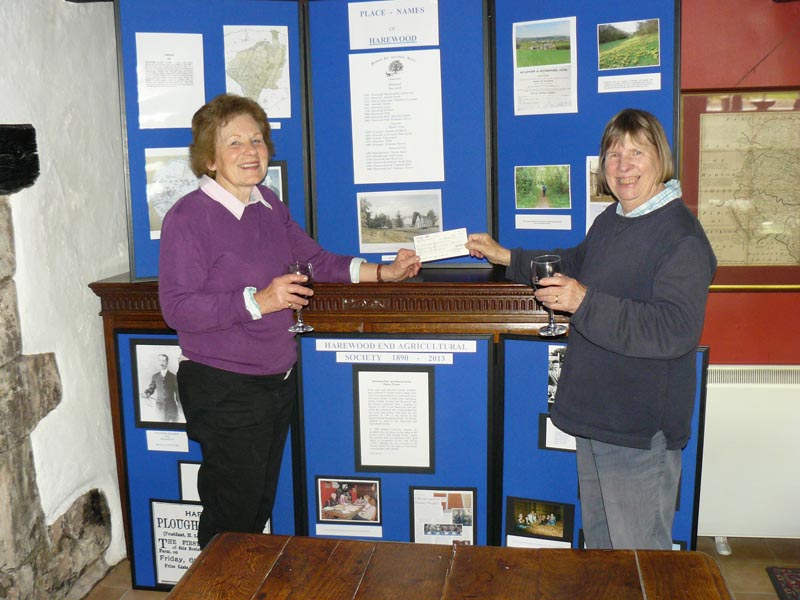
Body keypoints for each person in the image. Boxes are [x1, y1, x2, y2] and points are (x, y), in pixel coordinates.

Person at [158, 93, 421, 548]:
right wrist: (259, 301)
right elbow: (177, 308)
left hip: (274, 380)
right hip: (224, 388)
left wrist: (384, 271)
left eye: (256, 140)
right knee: (231, 517)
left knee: (255, 508)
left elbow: (315, 260)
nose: (251, 151)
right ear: (209, 157)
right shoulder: (189, 217)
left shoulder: (267, 204)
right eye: (235, 142)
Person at [466, 108, 716, 550]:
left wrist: (583, 301)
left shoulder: (682, 238)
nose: (622, 165)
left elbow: (674, 330)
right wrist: (506, 257)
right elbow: (575, 263)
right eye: (614, 154)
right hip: (598, 419)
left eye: (636, 152)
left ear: (661, 159)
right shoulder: (615, 218)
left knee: (639, 559)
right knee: (604, 554)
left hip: (637, 431)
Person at [141, 354, 180, 422]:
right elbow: (151, 388)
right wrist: (147, 393)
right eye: (160, 360)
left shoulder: (174, 377)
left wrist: (180, 408)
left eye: (164, 361)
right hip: (159, 409)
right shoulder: (155, 376)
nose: (162, 363)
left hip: (171, 409)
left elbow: (178, 394)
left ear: (167, 362)